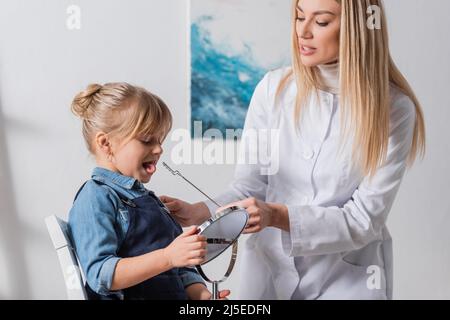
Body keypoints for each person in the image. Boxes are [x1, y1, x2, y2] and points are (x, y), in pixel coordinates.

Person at [160, 0, 426, 300]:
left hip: (348, 278)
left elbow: (363, 221)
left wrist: (277, 215)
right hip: (268, 269)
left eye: (321, 22)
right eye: (299, 17)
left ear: (358, 29)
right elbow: (250, 186)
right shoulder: (273, 89)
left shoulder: (394, 110)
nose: (303, 31)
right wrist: (201, 212)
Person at [68, 82, 229, 300]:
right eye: (146, 140)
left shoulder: (148, 200)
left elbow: (180, 268)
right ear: (106, 143)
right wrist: (168, 257)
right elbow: (101, 275)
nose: (159, 149)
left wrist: (202, 296)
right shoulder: (95, 197)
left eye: (160, 140)